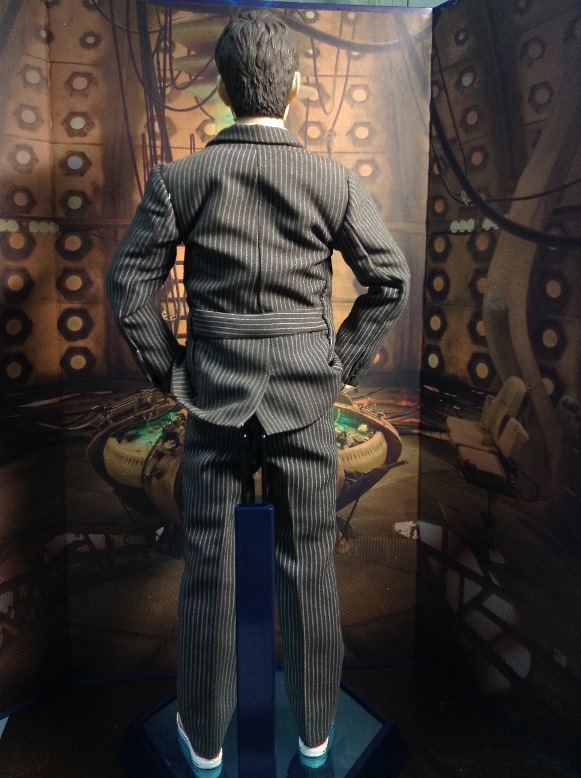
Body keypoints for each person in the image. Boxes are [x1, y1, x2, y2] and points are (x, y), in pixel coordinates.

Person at [106, 10, 409, 775]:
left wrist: (170, 371)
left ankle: (204, 740)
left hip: (211, 397)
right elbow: (389, 281)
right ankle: (315, 733)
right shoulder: (332, 180)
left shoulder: (180, 180)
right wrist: (338, 364)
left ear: (220, 88)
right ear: (295, 88)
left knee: (207, 570)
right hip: (305, 401)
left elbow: (127, 287)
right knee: (310, 567)